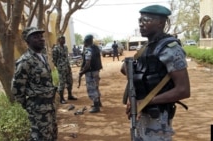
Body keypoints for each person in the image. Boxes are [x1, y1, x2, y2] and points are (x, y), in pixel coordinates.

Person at [120, 5, 190, 141]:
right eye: (139, 20)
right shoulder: (147, 47)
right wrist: (134, 94)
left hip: (157, 118)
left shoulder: (171, 49)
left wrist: (145, 101)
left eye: (145, 20)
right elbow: (126, 69)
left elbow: (183, 90)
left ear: (160, 23)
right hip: (141, 113)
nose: (140, 23)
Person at [11, 27, 58, 140]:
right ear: (28, 42)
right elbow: (17, 88)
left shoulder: (43, 57)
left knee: (52, 134)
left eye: (41, 36)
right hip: (37, 108)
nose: (41, 39)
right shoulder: (25, 61)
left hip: (49, 105)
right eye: (36, 37)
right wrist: (28, 104)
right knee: (41, 137)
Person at [79, 34, 103, 113]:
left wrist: (82, 71)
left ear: (86, 41)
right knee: (96, 87)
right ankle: (98, 103)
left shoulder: (88, 50)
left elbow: (87, 63)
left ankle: (96, 106)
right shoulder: (96, 48)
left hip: (90, 72)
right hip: (96, 71)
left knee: (92, 89)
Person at [52, 35, 77, 104]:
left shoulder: (65, 47)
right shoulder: (55, 49)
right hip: (61, 68)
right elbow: (54, 59)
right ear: (59, 40)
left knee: (70, 82)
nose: (64, 40)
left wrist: (68, 66)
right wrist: (59, 67)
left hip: (67, 67)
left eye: (64, 39)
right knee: (62, 83)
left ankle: (70, 95)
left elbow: (66, 57)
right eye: (62, 39)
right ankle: (61, 98)